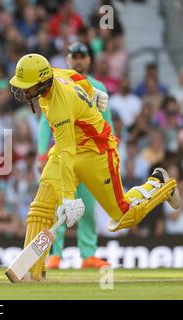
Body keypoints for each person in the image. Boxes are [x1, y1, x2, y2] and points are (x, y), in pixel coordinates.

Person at [9, 53, 181, 281]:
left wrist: (68, 198)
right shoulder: (55, 75)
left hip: (96, 152)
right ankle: (32, 272)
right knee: (42, 206)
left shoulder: (59, 104)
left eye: (27, 87)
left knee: (123, 215)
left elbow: (66, 152)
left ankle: (160, 184)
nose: (23, 91)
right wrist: (93, 93)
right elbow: (74, 75)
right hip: (70, 147)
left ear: (42, 83)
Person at [37, 42, 112, 270]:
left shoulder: (97, 87)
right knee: (58, 205)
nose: (78, 60)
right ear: (68, 59)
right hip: (64, 152)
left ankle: (88, 255)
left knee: (88, 207)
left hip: (89, 154)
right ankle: (54, 255)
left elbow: (105, 121)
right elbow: (45, 122)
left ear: (89, 59)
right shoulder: (59, 81)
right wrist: (42, 153)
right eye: (74, 56)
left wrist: (108, 151)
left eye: (83, 55)